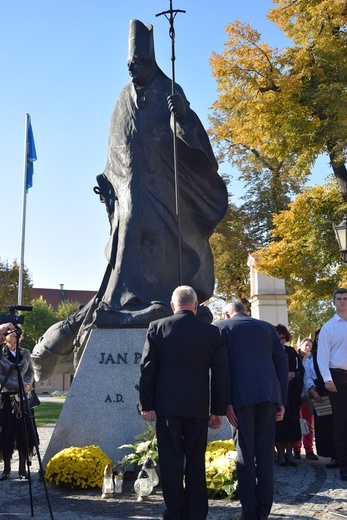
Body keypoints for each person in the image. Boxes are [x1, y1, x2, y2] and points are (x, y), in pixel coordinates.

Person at [31, 19, 228, 379]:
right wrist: (111, 185)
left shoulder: (170, 89)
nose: (132, 68)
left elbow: (195, 142)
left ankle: (168, 300)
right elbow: (116, 147)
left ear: (151, 60)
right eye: (129, 64)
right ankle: (125, 303)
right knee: (128, 238)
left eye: (137, 62)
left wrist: (182, 116)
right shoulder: (123, 96)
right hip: (132, 188)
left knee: (168, 244)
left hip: (168, 188)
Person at [139, 286, 227, 520]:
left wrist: (147, 405)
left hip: (167, 408)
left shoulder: (157, 328)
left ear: (172, 305)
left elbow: (147, 370)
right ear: (196, 306)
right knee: (195, 461)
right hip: (198, 408)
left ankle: (175, 512)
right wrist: (217, 411)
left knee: (170, 461)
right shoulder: (211, 333)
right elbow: (220, 374)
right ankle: (197, 513)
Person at [215, 301, 288, 520]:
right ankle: (263, 510)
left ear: (227, 313)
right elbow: (282, 364)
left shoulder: (222, 327)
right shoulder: (267, 328)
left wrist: (225, 403)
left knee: (245, 455)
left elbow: (222, 367)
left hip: (240, 398)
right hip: (268, 396)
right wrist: (281, 401)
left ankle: (249, 512)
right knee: (265, 454)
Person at [317, 288, 347, 481]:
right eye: (339, 299)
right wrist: (328, 380)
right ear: (334, 302)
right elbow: (322, 357)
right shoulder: (329, 327)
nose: (343, 301)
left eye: (345, 298)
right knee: (341, 424)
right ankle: (344, 466)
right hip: (337, 379)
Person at [0, 327, 38, 480]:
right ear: (6, 339)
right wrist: (17, 386)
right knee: (7, 434)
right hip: (7, 400)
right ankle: (7, 469)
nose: (15, 340)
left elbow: (30, 372)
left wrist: (27, 383)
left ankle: (22, 469)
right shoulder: (1, 354)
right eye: (12, 337)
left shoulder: (25, 353)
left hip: (23, 401)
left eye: (17, 338)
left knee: (24, 433)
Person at [304, 329, 338, 468]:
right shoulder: (312, 358)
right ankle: (334, 456)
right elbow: (308, 376)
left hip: (339, 393)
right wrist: (313, 392)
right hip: (321, 396)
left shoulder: (337, 354)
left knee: (340, 424)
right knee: (327, 426)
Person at [274, 324, 304, 467]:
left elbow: (301, 370)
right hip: (277, 393)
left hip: (292, 394)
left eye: (282, 338)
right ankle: (280, 454)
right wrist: (282, 376)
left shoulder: (292, 352)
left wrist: (294, 374)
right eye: (277, 338)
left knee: (292, 424)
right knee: (279, 425)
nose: (280, 341)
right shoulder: (270, 352)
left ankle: (290, 454)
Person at [293, 337, 319, 461]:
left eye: (310, 346)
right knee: (297, 423)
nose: (308, 347)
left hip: (308, 396)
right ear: (301, 345)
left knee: (308, 423)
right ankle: (296, 449)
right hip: (296, 395)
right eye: (306, 345)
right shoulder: (295, 358)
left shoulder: (312, 360)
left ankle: (309, 449)